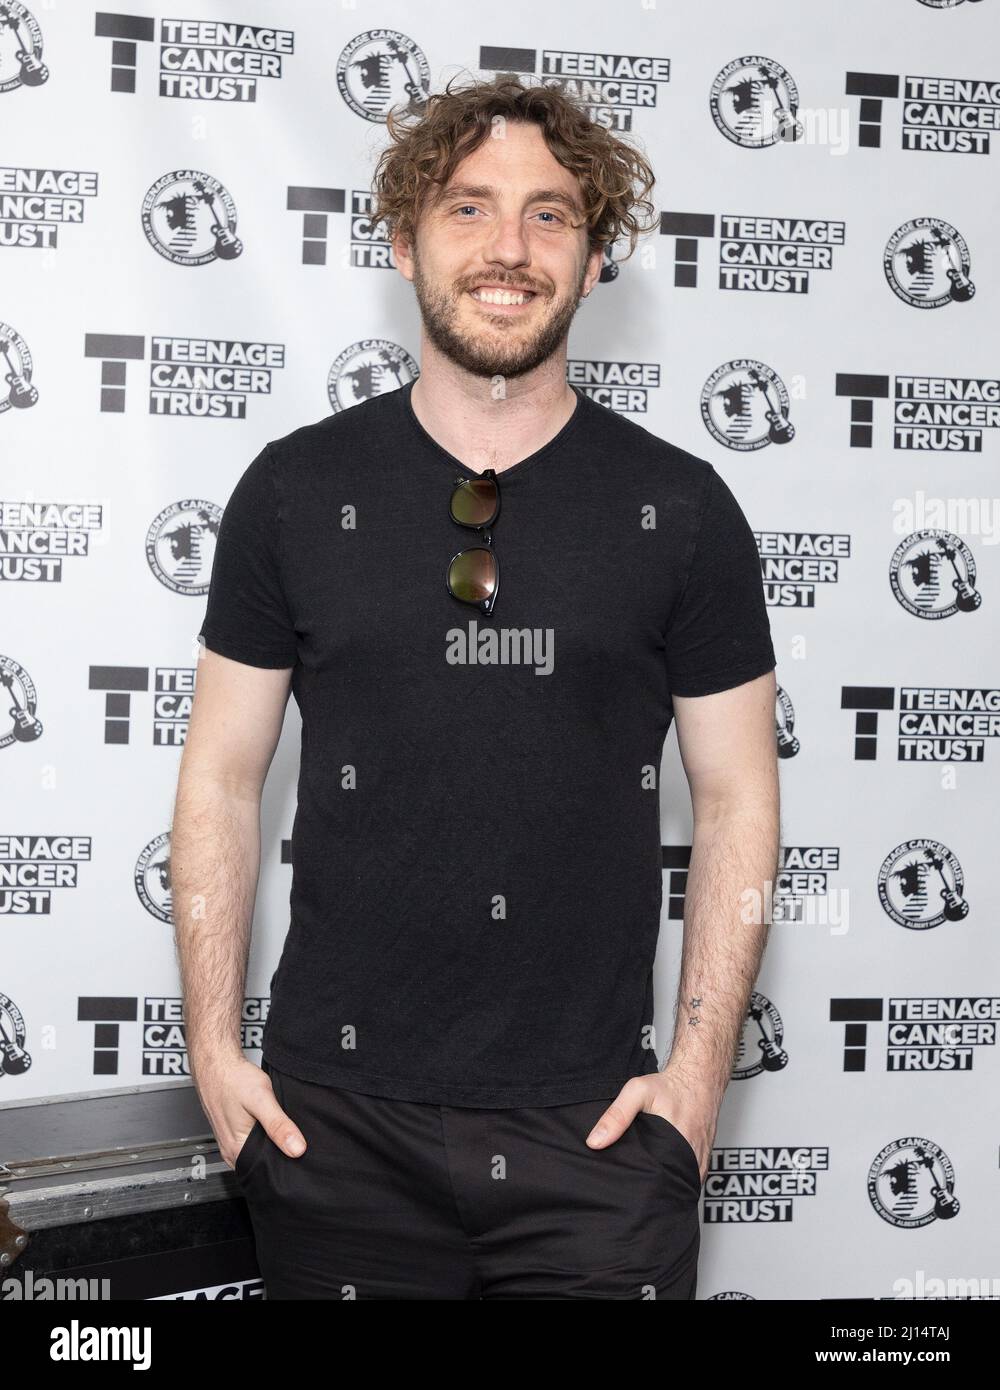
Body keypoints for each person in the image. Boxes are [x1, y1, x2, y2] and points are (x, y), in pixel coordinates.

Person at [172, 74, 780, 1300]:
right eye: (468, 208)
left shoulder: (685, 512)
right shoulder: (293, 492)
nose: (508, 248)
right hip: (329, 1133)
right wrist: (215, 1052)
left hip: (597, 1139)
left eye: (549, 215)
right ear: (403, 240)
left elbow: (738, 801)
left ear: (595, 258)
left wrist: (696, 1087)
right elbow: (222, 777)